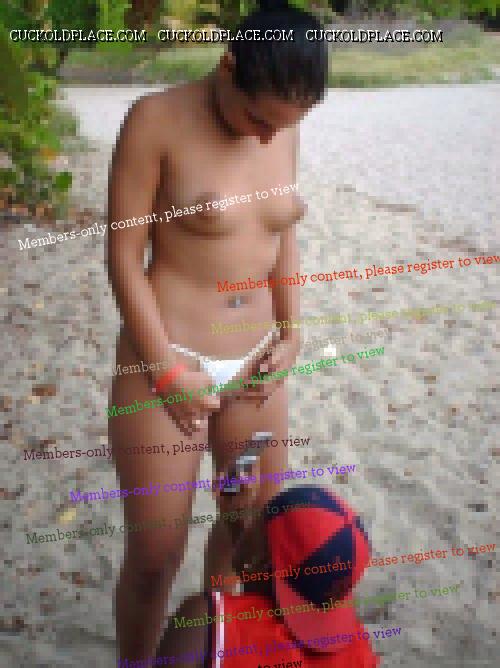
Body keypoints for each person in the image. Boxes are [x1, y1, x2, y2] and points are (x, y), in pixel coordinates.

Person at [107, 0, 328, 662]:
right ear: (228, 66)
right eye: (258, 119)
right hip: (167, 358)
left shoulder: (280, 123)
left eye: (283, 126)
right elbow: (123, 256)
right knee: (156, 554)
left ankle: (216, 652)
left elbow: (280, 230)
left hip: (258, 365)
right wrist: (166, 371)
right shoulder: (155, 120)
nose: (267, 138)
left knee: (249, 535)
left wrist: (291, 329)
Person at [154, 484, 379, 667]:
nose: (248, 523)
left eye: (257, 520)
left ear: (261, 560)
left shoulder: (200, 622)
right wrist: (240, 535)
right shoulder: (360, 651)